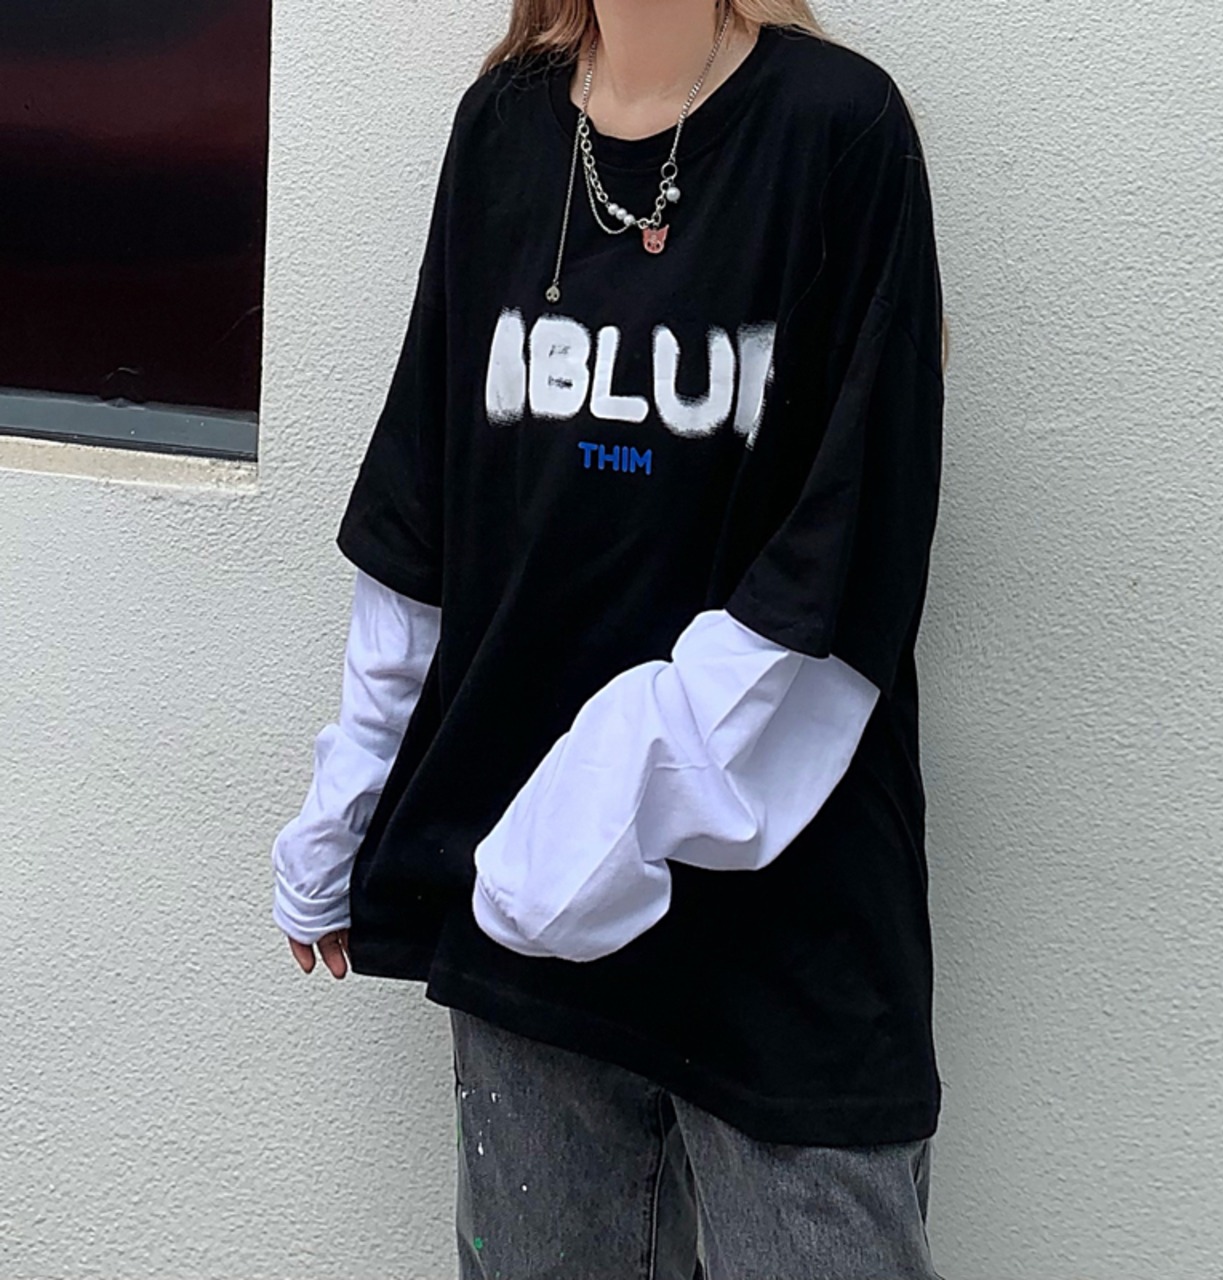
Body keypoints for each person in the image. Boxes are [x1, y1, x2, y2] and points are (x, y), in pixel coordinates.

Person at [272, 1, 948, 1275]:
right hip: (524, 899)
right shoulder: (502, 130)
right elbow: (426, 486)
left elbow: (851, 535)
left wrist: (618, 783)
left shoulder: (836, 130)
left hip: (784, 913)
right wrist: (350, 784)